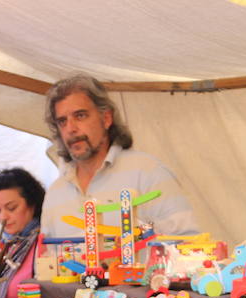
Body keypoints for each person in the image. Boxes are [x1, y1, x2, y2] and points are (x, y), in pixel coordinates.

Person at [40, 74, 198, 239]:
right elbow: (47, 260)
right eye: (62, 121)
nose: (70, 129)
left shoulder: (148, 172)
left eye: (80, 115)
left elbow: (187, 244)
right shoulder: (55, 194)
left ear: (106, 118)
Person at [0, 167, 45, 298]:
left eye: (11, 208)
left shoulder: (45, 243)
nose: (3, 217)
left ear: (32, 204)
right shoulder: (0, 244)